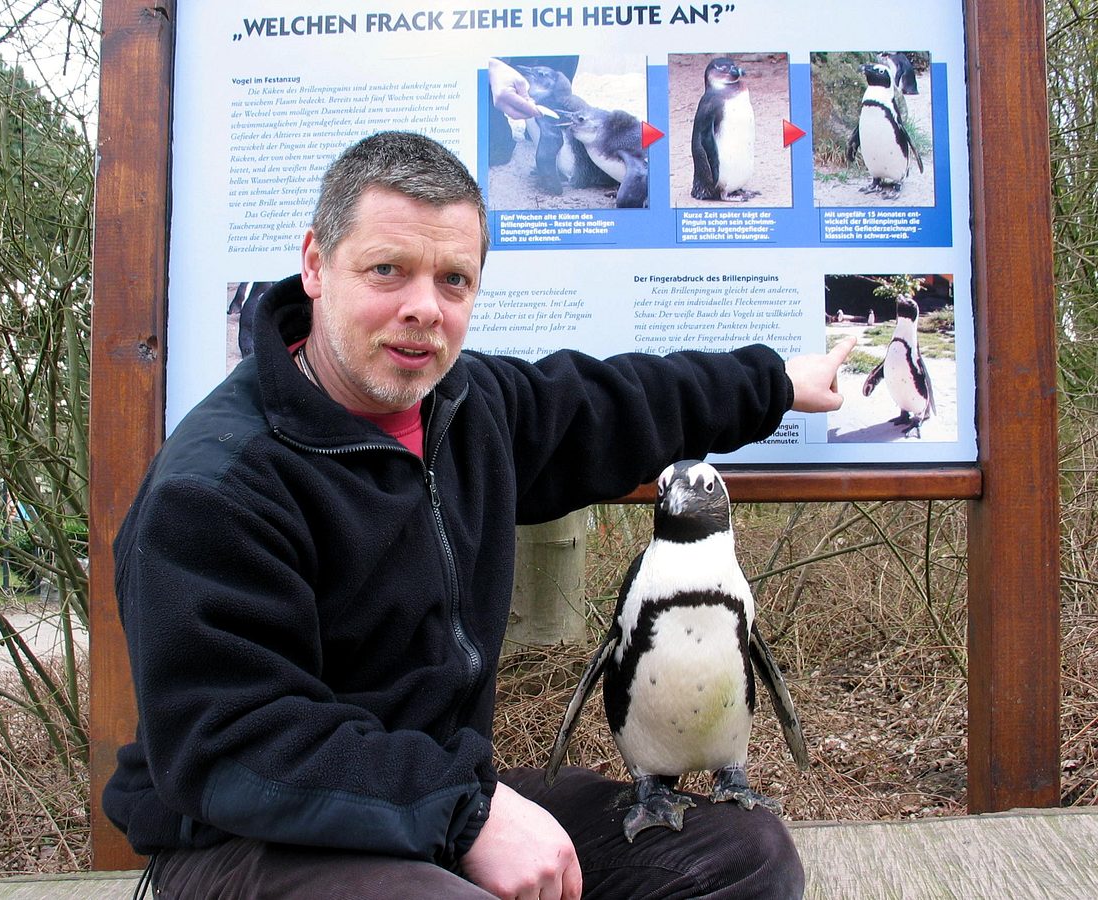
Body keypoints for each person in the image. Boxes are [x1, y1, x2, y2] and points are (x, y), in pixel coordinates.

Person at [105, 131, 854, 899]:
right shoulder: (217, 489)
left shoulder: (469, 410)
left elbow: (620, 405)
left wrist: (776, 383)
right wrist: (468, 814)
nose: (423, 308)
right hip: (256, 841)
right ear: (315, 265)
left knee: (738, 856)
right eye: (387, 270)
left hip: (438, 802)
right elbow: (232, 744)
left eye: (453, 280)